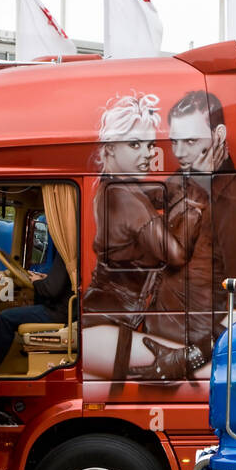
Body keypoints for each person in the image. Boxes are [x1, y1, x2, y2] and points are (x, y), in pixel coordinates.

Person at [127, 90, 236, 380]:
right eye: (175, 141)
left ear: (219, 135)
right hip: (163, 342)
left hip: (198, 356)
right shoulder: (183, 179)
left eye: (191, 141)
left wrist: (191, 356)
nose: (180, 152)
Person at [81, 92, 207, 379]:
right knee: (200, 364)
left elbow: (157, 196)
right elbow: (175, 255)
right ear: (110, 148)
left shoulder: (112, 187)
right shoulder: (124, 197)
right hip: (103, 329)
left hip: (106, 325)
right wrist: (193, 214)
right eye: (135, 144)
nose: (148, 154)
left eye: (149, 145)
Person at [0, 245, 72, 373]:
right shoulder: (69, 253)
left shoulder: (65, 253)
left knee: (5, 318)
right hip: (63, 309)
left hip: (58, 312)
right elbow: (58, 283)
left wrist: (36, 282)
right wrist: (45, 279)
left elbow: (51, 290)